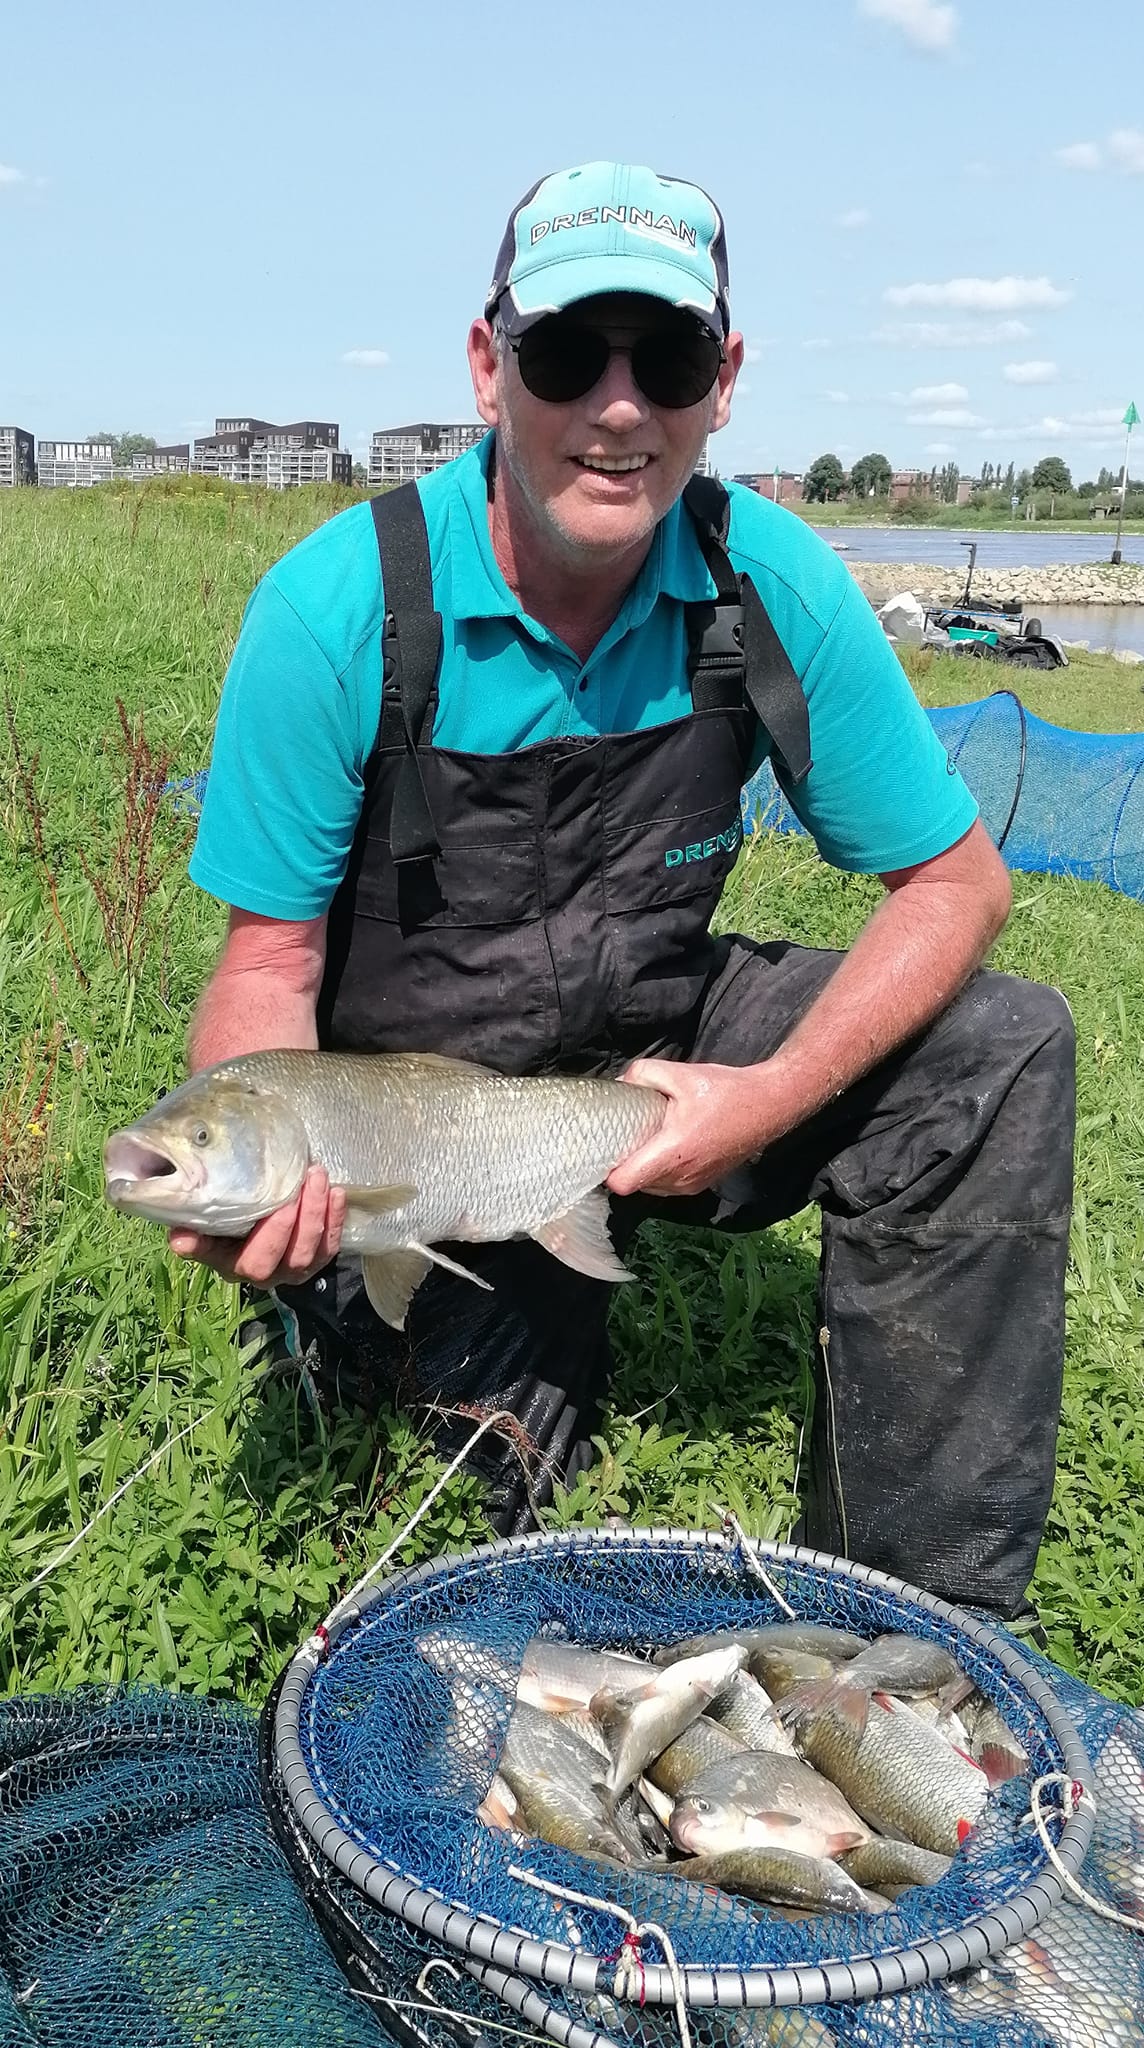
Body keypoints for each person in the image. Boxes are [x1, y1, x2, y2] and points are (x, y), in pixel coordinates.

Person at [177, 161, 1074, 1623]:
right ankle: (404, 1336)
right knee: (483, 1499)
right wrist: (261, 1162)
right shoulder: (336, 612)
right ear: (488, 367)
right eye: (563, 352)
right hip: (436, 1119)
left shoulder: (764, 578)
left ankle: (929, 1625)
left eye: (663, 360)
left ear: (720, 382)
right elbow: (264, 969)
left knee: (1001, 1046)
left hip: (658, 1053)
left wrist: (761, 1098)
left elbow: (958, 886)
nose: (616, 407)